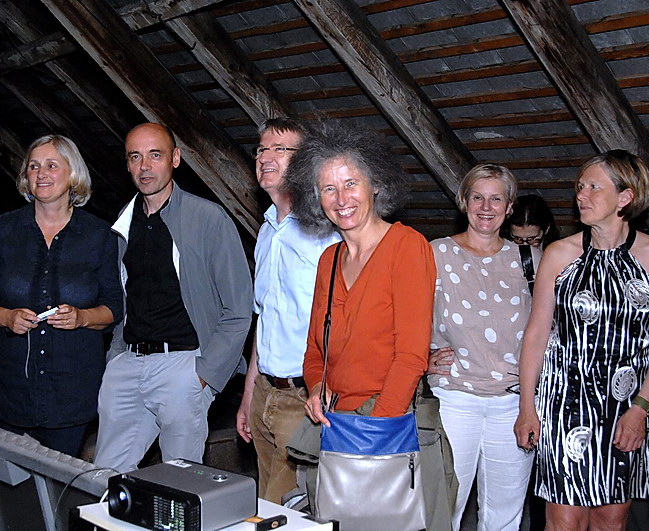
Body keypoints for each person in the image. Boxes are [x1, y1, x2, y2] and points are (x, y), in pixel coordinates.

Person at [285, 123, 437, 524]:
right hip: (336, 427)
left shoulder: (407, 247)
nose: (341, 199)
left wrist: (375, 434)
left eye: (351, 183)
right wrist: (315, 389)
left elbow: (411, 357)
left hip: (388, 427)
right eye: (328, 188)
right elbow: (315, 351)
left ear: (376, 185)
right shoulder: (329, 261)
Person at [514, 150, 649, 529]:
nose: (581, 195)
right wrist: (527, 406)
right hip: (564, 403)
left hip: (626, 407)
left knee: (611, 518)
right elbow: (536, 335)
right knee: (563, 519)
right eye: (580, 186)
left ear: (625, 197)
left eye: (594, 187)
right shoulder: (559, 254)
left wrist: (640, 409)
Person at [93, 122, 252, 472]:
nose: (144, 166)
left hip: (183, 366)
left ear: (175, 159)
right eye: (135, 157)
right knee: (106, 477)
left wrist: (205, 375)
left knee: (179, 482)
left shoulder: (208, 218)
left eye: (155, 155)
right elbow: (126, 295)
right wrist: (116, 357)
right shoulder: (124, 222)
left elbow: (239, 307)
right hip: (129, 363)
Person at [0, 134, 123, 456]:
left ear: (73, 174)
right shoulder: (2, 230)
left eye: (51, 165)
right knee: (8, 478)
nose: (41, 173)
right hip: (9, 388)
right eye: (34, 166)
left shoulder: (99, 235)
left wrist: (82, 318)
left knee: (59, 478)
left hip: (72, 391)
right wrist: (5, 316)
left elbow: (115, 306)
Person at [427, 163, 539, 530]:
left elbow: (549, 329)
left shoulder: (530, 260)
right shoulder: (436, 253)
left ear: (509, 207)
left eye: (496, 199)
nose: (486, 207)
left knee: (506, 514)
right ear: (464, 201)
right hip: (454, 399)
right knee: (445, 507)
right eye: (478, 197)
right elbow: (402, 314)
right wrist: (422, 359)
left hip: (513, 403)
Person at [235, 118, 340, 503]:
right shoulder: (266, 231)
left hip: (304, 396)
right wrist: (249, 395)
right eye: (262, 149)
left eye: (281, 149)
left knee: (288, 512)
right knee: (267, 503)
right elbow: (264, 319)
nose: (266, 157)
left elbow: (342, 322)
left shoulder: (327, 232)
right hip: (266, 392)